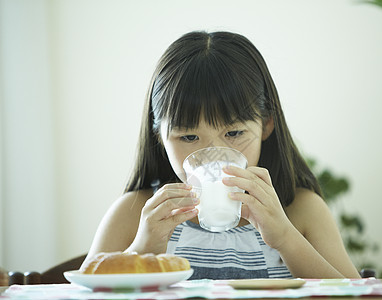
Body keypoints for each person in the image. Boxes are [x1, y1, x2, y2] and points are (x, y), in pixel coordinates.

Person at [81, 31, 361, 279]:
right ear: (159, 136)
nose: (212, 157)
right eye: (189, 137)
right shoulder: (134, 214)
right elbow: (81, 291)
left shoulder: (301, 211)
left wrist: (286, 238)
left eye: (234, 133)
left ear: (266, 125)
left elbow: (358, 294)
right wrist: (142, 249)